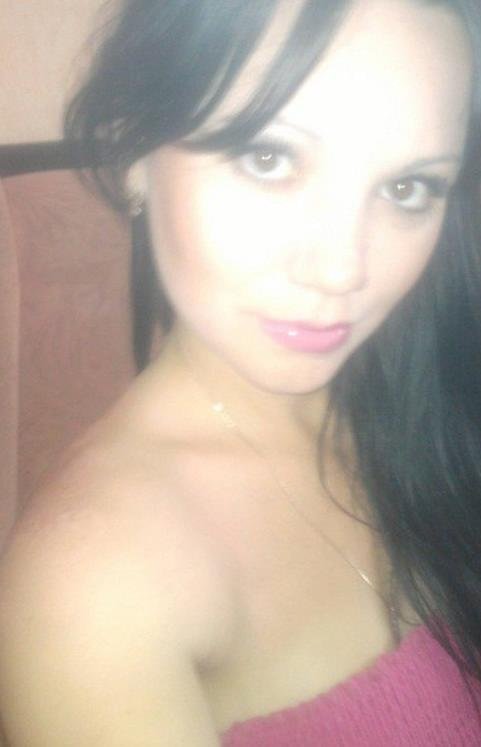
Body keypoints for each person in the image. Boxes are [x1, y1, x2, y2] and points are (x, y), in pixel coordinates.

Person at [0, 0, 481, 744]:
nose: (340, 270)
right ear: (135, 153)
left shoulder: (425, 384)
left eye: (406, 187)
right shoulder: (92, 591)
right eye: (268, 157)